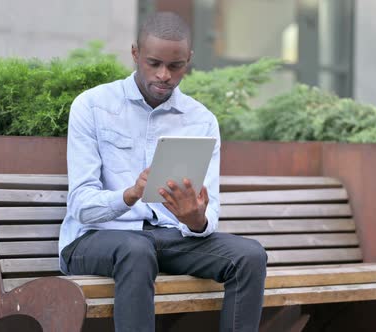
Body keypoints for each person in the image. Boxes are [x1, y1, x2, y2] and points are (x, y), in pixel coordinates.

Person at [58, 11, 268, 332]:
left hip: (166, 240)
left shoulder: (201, 120)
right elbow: (82, 207)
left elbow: (207, 216)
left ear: (189, 61)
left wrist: (194, 218)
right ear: (135, 54)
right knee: (136, 248)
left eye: (175, 66)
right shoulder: (93, 106)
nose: (164, 75)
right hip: (96, 239)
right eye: (153, 63)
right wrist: (129, 195)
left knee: (250, 256)